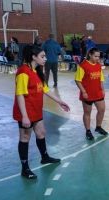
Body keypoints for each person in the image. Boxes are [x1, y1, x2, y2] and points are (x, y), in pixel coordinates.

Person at [13, 45, 70, 179]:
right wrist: (25, 117)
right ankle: (25, 168)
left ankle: (44, 157)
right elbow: (20, 95)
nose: (45, 59)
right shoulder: (23, 72)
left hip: (37, 110)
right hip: (25, 112)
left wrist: (59, 101)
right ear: (33, 57)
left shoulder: (37, 71)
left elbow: (45, 89)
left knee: (41, 133)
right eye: (42, 57)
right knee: (25, 138)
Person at [75, 48, 109, 140]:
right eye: (95, 56)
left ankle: (98, 127)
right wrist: (84, 92)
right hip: (87, 94)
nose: (97, 58)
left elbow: (101, 79)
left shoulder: (98, 65)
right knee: (87, 113)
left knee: (102, 109)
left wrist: (103, 89)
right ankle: (88, 131)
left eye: (98, 56)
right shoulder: (83, 66)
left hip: (98, 92)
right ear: (90, 55)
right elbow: (78, 80)